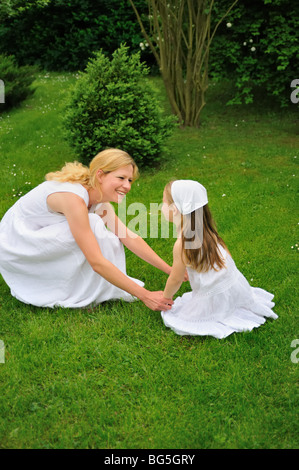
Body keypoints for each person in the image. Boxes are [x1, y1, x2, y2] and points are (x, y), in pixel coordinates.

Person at [0, 148, 174, 311]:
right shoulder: (74, 199)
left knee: (105, 233)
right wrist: (146, 296)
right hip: (16, 245)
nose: (127, 186)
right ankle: (72, 291)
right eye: (121, 178)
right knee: (94, 225)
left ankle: (87, 287)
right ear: (100, 175)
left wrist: (170, 270)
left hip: (37, 234)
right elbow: (96, 261)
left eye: (129, 180)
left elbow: (127, 236)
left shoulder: (97, 198)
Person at [160, 179, 278, 338]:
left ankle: (218, 309)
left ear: (174, 210)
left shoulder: (182, 244)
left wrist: (165, 298)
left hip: (214, 295)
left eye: (163, 203)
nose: (161, 207)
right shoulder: (207, 231)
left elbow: (176, 278)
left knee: (183, 317)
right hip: (234, 286)